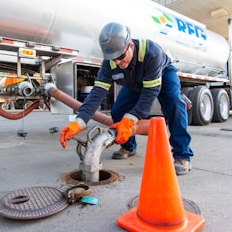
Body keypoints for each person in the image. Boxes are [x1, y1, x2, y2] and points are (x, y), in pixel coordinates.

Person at [59, 22, 193, 175]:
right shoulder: (110, 63)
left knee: (174, 105)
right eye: (113, 58)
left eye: (121, 57)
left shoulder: (151, 52)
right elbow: (97, 94)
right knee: (118, 111)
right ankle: (129, 147)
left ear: (130, 45)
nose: (118, 62)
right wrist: (79, 122)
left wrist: (130, 121)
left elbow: (150, 93)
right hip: (135, 82)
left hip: (163, 74)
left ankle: (182, 155)